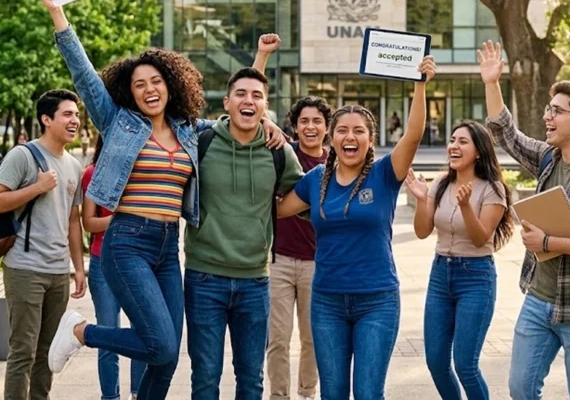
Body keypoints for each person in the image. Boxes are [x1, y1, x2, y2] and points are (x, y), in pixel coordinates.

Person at [40, 0, 285, 400]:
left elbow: (242, 110)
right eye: (139, 85)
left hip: (169, 247)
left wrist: (264, 111)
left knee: (166, 357)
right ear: (130, 92)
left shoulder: (190, 129)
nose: (149, 89)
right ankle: (81, 331)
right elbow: (83, 75)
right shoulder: (118, 122)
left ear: (170, 84)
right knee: (162, 344)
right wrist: (57, 13)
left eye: (156, 81)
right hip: (127, 241)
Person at [276, 56, 437, 400]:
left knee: (367, 393)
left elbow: (413, 134)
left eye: (359, 131)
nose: (350, 137)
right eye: (342, 130)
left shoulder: (385, 173)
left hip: (377, 300)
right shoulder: (315, 179)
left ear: (370, 138)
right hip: (327, 301)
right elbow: (275, 210)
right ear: (332, 138)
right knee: (332, 394)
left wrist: (420, 86)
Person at [478, 41, 570, 400]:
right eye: (549, 109)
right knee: (521, 388)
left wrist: (547, 243)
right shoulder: (549, 157)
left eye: (556, 111)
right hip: (539, 299)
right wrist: (492, 83)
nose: (548, 116)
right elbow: (507, 135)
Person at [183, 64, 305, 400]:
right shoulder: (202, 142)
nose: (248, 100)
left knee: (251, 380)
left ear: (266, 106)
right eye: (240, 94)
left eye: (257, 96)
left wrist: (273, 210)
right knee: (205, 378)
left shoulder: (278, 150)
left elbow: (301, 193)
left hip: (255, 281)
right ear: (226, 102)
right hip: (204, 278)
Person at [0, 90, 86, 400]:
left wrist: (78, 268)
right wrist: (36, 188)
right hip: (25, 268)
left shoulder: (74, 165)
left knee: (48, 350)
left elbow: (73, 220)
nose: (75, 120)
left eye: (76, 114)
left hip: (58, 271)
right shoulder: (23, 156)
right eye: (67, 114)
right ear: (46, 119)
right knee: (23, 350)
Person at [406, 121, 513, 400]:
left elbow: (481, 238)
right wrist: (421, 200)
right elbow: (422, 231)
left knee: (466, 365)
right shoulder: (442, 183)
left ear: (479, 151)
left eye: (463, 141)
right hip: (440, 274)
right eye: (452, 140)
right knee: (436, 363)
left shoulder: (492, 189)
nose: (453, 146)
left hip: (476, 277)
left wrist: (466, 206)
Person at [265, 96, 332, 400]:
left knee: (313, 339)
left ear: (327, 128)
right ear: (294, 126)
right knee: (278, 339)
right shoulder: (282, 155)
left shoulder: (335, 164)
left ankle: (307, 393)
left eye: (317, 121)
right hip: (278, 260)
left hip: (317, 264)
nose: (310, 127)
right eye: (304, 121)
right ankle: (279, 396)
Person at [81, 134, 146, 400]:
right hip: (103, 263)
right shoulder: (93, 173)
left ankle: (138, 394)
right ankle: (110, 397)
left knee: (143, 335)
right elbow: (88, 223)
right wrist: (120, 219)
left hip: (139, 263)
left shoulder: (142, 172)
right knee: (107, 335)